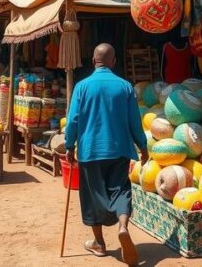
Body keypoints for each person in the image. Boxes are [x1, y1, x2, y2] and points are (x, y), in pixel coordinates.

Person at [65, 43, 148, 266]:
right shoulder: (125, 87)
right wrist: (143, 146)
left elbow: (73, 120)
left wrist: (68, 145)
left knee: (92, 196)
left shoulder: (82, 87)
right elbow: (135, 121)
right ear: (114, 62)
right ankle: (123, 227)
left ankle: (99, 243)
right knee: (120, 190)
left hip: (90, 150)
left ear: (94, 61)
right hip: (119, 149)